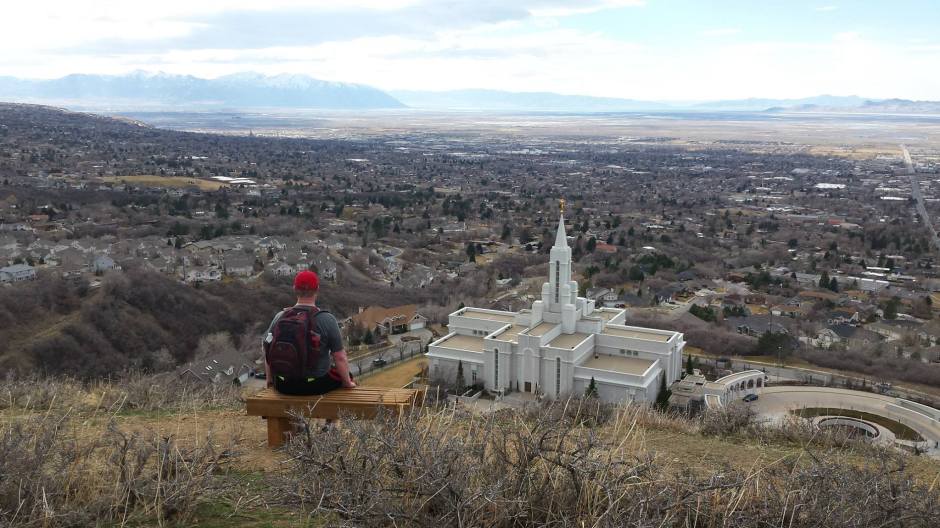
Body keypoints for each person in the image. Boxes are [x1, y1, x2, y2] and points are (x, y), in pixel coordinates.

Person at [263, 269, 356, 394]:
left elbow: (267, 350)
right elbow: (340, 357)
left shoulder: (280, 316)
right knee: (345, 375)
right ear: (317, 289)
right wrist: (347, 383)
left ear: (294, 289)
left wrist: (269, 381)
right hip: (314, 385)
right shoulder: (326, 319)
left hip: (283, 384)